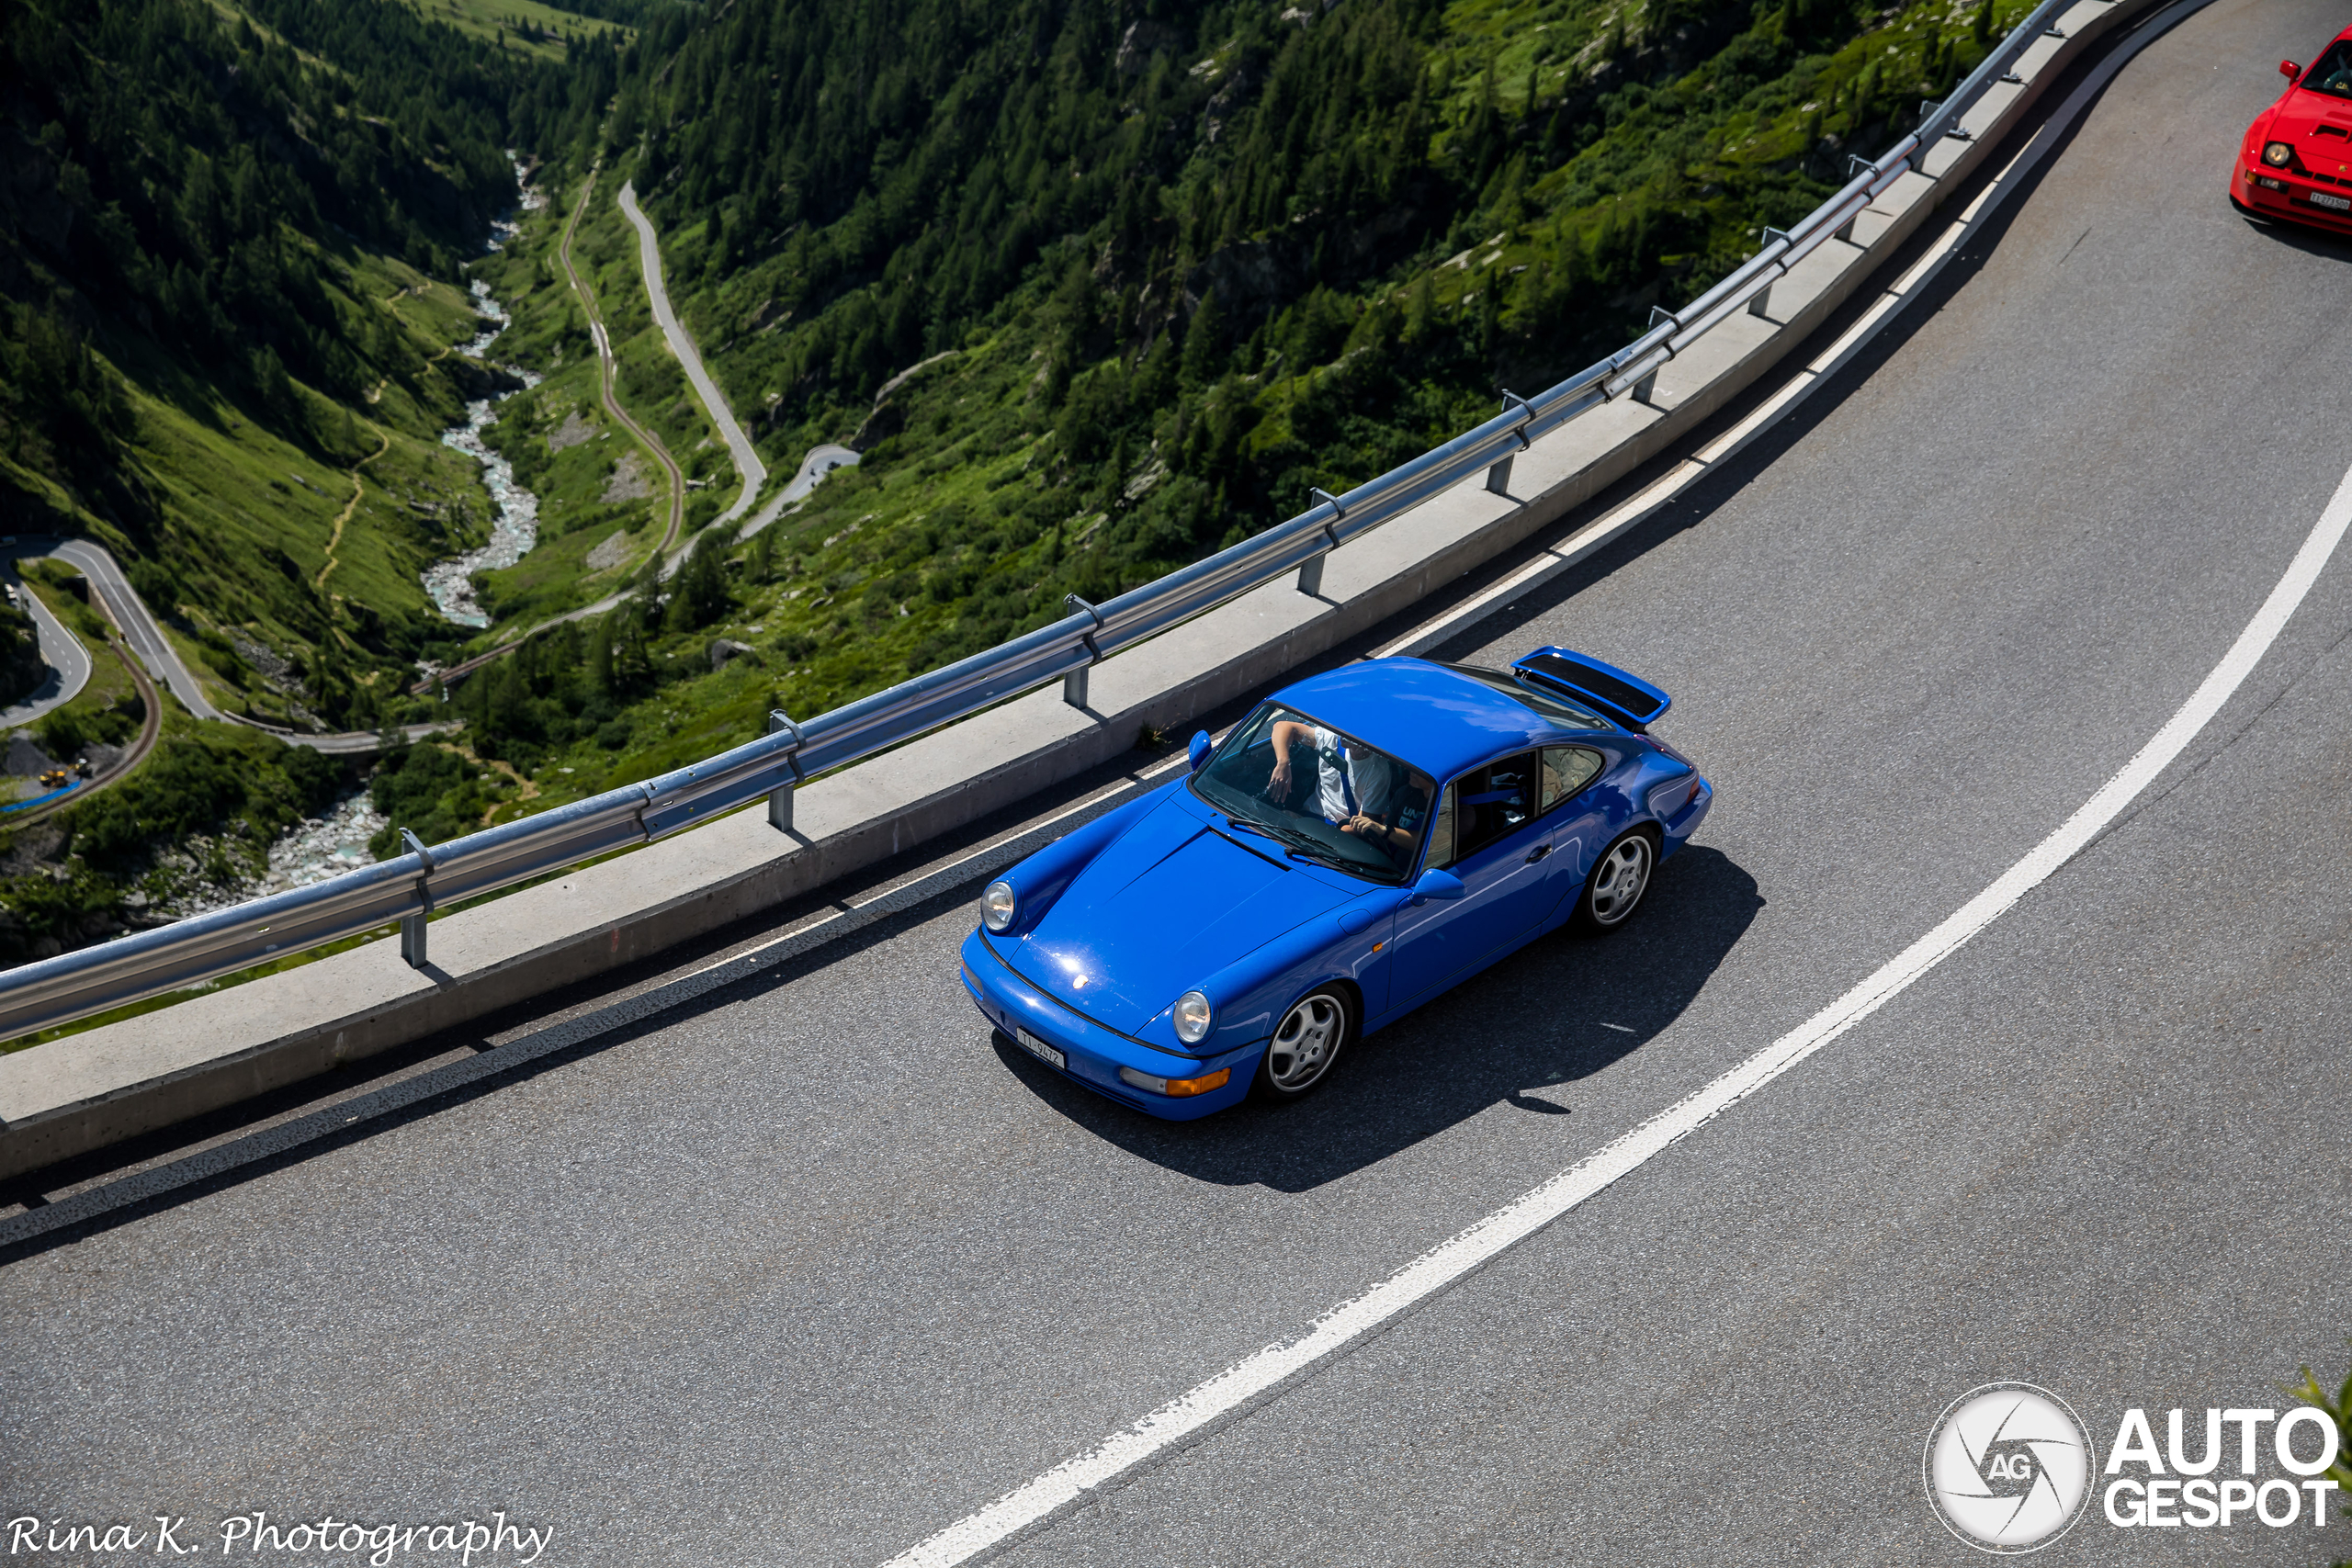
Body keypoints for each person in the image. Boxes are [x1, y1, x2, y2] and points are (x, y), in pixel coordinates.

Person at [1267, 716, 1421, 862]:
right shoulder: (1332, 738)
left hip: (1338, 833)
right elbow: (1283, 726)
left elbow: (1362, 827)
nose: (1344, 733)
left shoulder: (1377, 772)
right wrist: (1283, 763)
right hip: (1307, 816)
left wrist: (1313, 832)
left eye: (1352, 731)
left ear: (1367, 740)